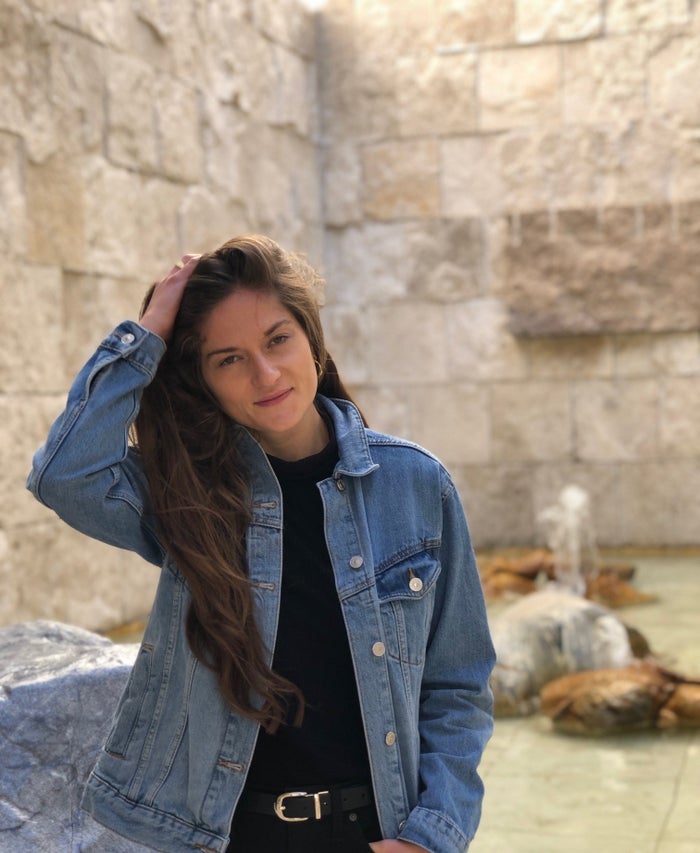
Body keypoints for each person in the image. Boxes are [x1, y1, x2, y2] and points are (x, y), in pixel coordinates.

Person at [27, 235, 495, 853]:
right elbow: (65, 475)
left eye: (278, 339)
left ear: (312, 338)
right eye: (229, 359)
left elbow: (458, 684)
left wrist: (432, 834)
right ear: (204, 381)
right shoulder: (185, 495)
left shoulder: (414, 484)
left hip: (376, 832)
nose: (266, 374)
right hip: (227, 835)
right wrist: (146, 336)